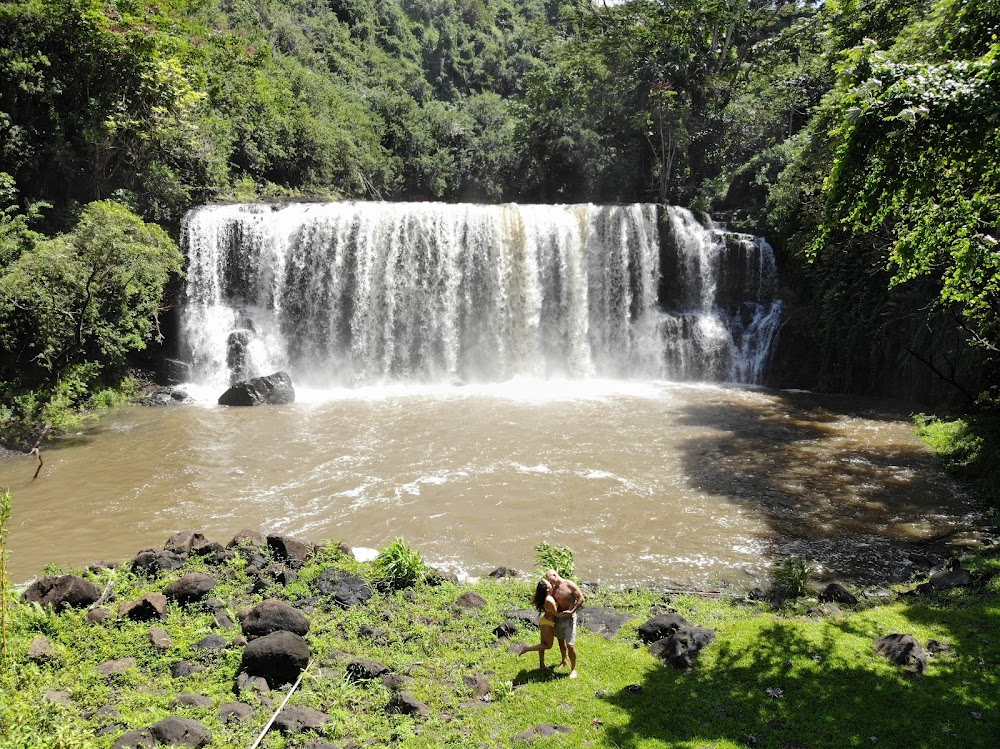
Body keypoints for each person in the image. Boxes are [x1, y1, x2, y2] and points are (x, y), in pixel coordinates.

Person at [545, 568, 585, 678]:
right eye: (548, 580)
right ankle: (564, 660)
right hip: (558, 618)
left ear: (555, 575)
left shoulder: (569, 585)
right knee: (560, 640)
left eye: (550, 579)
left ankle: (574, 669)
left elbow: (581, 598)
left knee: (570, 644)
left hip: (570, 617)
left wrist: (572, 611)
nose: (550, 582)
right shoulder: (552, 588)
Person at [515, 578, 559, 669]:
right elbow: (556, 613)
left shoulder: (545, 597)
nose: (551, 584)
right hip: (548, 624)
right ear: (547, 589)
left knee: (542, 644)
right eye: (549, 584)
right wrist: (569, 611)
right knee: (547, 645)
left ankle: (541, 665)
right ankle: (526, 649)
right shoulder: (549, 599)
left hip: (544, 621)